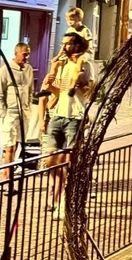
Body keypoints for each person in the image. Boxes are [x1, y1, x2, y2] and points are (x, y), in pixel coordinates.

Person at [42, 32, 94, 219]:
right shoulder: (62, 65)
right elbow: (60, 92)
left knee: (66, 162)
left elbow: (90, 91)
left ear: (77, 46)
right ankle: (55, 197)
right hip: (59, 114)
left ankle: (62, 201)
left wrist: (80, 85)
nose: (64, 47)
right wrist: (50, 86)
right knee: (50, 159)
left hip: (75, 116)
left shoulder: (85, 64)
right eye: (63, 44)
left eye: (69, 44)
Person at [0, 42, 34, 185]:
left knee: (16, 145)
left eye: (28, 54)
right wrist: (2, 114)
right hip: (9, 114)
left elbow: (30, 90)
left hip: (23, 114)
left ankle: (9, 172)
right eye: (24, 54)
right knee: (8, 147)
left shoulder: (28, 69)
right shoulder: (5, 71)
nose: (27, 57)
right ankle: (7, 180)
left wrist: (28, 107)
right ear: (16, 53)